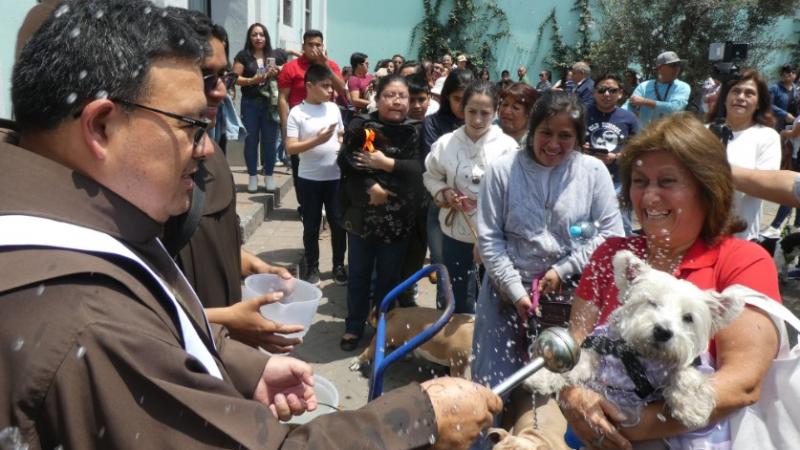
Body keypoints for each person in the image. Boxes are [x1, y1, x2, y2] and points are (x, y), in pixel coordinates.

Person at [1, 1, 503, 448]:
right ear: (102, 126)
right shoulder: (86, 313)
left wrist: (238, 362)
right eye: (192, 126)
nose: (205, 150)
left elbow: (157, 325)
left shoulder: (85, 225)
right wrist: (417, 416)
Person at [560, 113, 780, 450]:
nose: (649, 197)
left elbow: (742, 384)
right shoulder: (612, 255)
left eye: (667, 182)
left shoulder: (743, 261)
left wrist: (621, 424)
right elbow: (576, 345)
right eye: (639, 181)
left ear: (706, 188)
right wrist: (573, 397)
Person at [472, 91, 624, 440]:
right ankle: (485, 443)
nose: (554, 144)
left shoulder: (592, 171)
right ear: (531, 129)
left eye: (565, 135)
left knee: (569, 383)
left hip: (572, 297)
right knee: (493, 384)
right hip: (504, 290)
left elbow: (611, 234)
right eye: (546, 133)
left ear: (579, 137)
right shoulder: (502, 170)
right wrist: (514, 289)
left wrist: (565, 268)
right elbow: (491, 239)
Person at [162, 8, 303, 353]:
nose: (221, 92)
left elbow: (208, 240)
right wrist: (223, 319)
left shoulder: (212, 152)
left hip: (228, 353)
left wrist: (254, 264)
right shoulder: (142, 181)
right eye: (203, 76)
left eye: (223, 76)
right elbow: (135, 316)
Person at [336, 74, 427, 350]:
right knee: (359, 275)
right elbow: (348, 163)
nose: (396, 101)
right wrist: (370, 185)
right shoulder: (365, 127)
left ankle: (383, 329)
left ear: (409, 101)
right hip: (363, 218)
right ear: (377, 97)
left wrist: (386, 164)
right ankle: (354, 326)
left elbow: (419, 172)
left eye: (402, 96)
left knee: (389, 278)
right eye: (390, 95)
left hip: (399, 221)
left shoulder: (417, 131)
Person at [424, 80, 519, 313]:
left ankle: (482, 345)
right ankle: (453, 343)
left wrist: (489, 233)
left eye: (485, 113)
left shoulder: (508, 148)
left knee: (491, 295)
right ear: (462, 109)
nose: (477, 120)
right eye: (471, 111)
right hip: (455, 233)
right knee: (456, 291)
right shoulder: (445, 143)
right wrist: (444, 192)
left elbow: (515, 193)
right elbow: (431, 176)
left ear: (495, 112)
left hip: (494, 238)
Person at [285, 64, 348, 287]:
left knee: (339, 224)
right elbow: (291, 148)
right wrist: (317, 141)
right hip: (309, 179)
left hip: (335, 178)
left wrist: (342, 143)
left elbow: (340, 135)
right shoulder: (297, 112)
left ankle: (339, 266)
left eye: (331, 86)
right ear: (309, 86)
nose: (330, 91)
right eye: (325, 86)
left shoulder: (333, 108)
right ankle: (312, 267)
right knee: (311, 226)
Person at [705, 68, 780, 241]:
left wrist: (715, 171)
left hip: (741, 237)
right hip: (700, 234)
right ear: (724, 98)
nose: (741, 97)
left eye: (749, 93)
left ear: (759, 103)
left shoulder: (767, 137)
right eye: (736, 91)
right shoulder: (704, 132)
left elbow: (764, 185)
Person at [278, 29, 345, 214]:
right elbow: (283, 98)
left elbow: (342, 90)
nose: (315, 48)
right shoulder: (291, 67)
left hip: (326, 122)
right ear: (303, 47)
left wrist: (326, 65)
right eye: (311, 45)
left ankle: (327, 207)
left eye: (318, 44)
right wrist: (285, 127)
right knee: (300, 167)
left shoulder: (331, 65)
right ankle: (305, 207)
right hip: (300, 124)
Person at [423, 68, 474, 306]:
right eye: (457, 99)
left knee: (470, 274)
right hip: (441, 206)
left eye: (468, 99)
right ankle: (444, 327)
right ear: (446, 98)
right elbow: (434, 168)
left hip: (474, 212)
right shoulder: (433, 123)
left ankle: (468, 328)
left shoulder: (484, 126)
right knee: (444, 271)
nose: (463, 106)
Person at [584, 74, 640, 234]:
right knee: (586, 225)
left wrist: (616, 157)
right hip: (587, 179)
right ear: (594, 93)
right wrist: (582, 150)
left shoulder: (628, 118)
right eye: (602, 90)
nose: (607, 94)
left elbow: (636, 148)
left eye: (612, 90)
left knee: (621, 225)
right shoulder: (581, 113)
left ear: (620, 93)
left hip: (618, 181)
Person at [233, 23, 286, 192]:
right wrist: (252, 80)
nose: (258, 38)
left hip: (270, 103)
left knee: (270, 141)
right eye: (254, 34)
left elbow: (288, 72)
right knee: (251, 141)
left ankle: (269, 176)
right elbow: (234, 78)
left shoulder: (275, 54)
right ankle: (252, 177)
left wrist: (279, 71)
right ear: (249, 37)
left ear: (266, 37)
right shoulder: (243, 56)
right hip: (250, 103)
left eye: (261, 34)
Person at [623, 51, 690, 127]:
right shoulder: (644, 86)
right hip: (645, 135)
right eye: (673, 65)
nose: (677, 68)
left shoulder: (683, 87)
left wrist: (644, 101)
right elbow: (630, 105)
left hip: (670, 136)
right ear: (660, 68)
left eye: (679, 65)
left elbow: (675, 108)